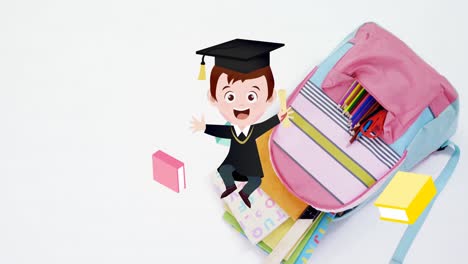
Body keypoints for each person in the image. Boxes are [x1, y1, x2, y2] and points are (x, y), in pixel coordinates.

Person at [191, 39, 292, 208]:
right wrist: (204, 127)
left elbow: (266, 124)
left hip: (251, 165)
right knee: (224, 170)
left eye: (252, 96)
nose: (241, 105)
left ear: (270, 97)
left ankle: (244, 194)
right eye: (229, 96)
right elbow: (220, 132)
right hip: (234, 162)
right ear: (213, 97)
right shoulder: (231, 131)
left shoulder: (254, 129)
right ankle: (230, 186)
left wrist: (279, 117)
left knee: (256, 181)